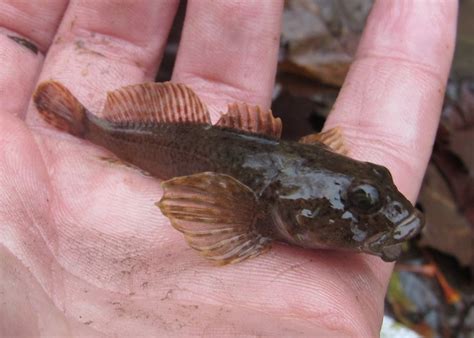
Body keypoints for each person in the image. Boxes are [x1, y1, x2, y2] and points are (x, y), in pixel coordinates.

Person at [0, 1, 457, 336]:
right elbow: (201, 206)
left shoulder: (299, 174)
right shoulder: (257, 206)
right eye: (359, 203)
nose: (369, 215)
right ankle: (86, 126)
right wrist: (96, 128)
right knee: (100, 130)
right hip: (139, 137)